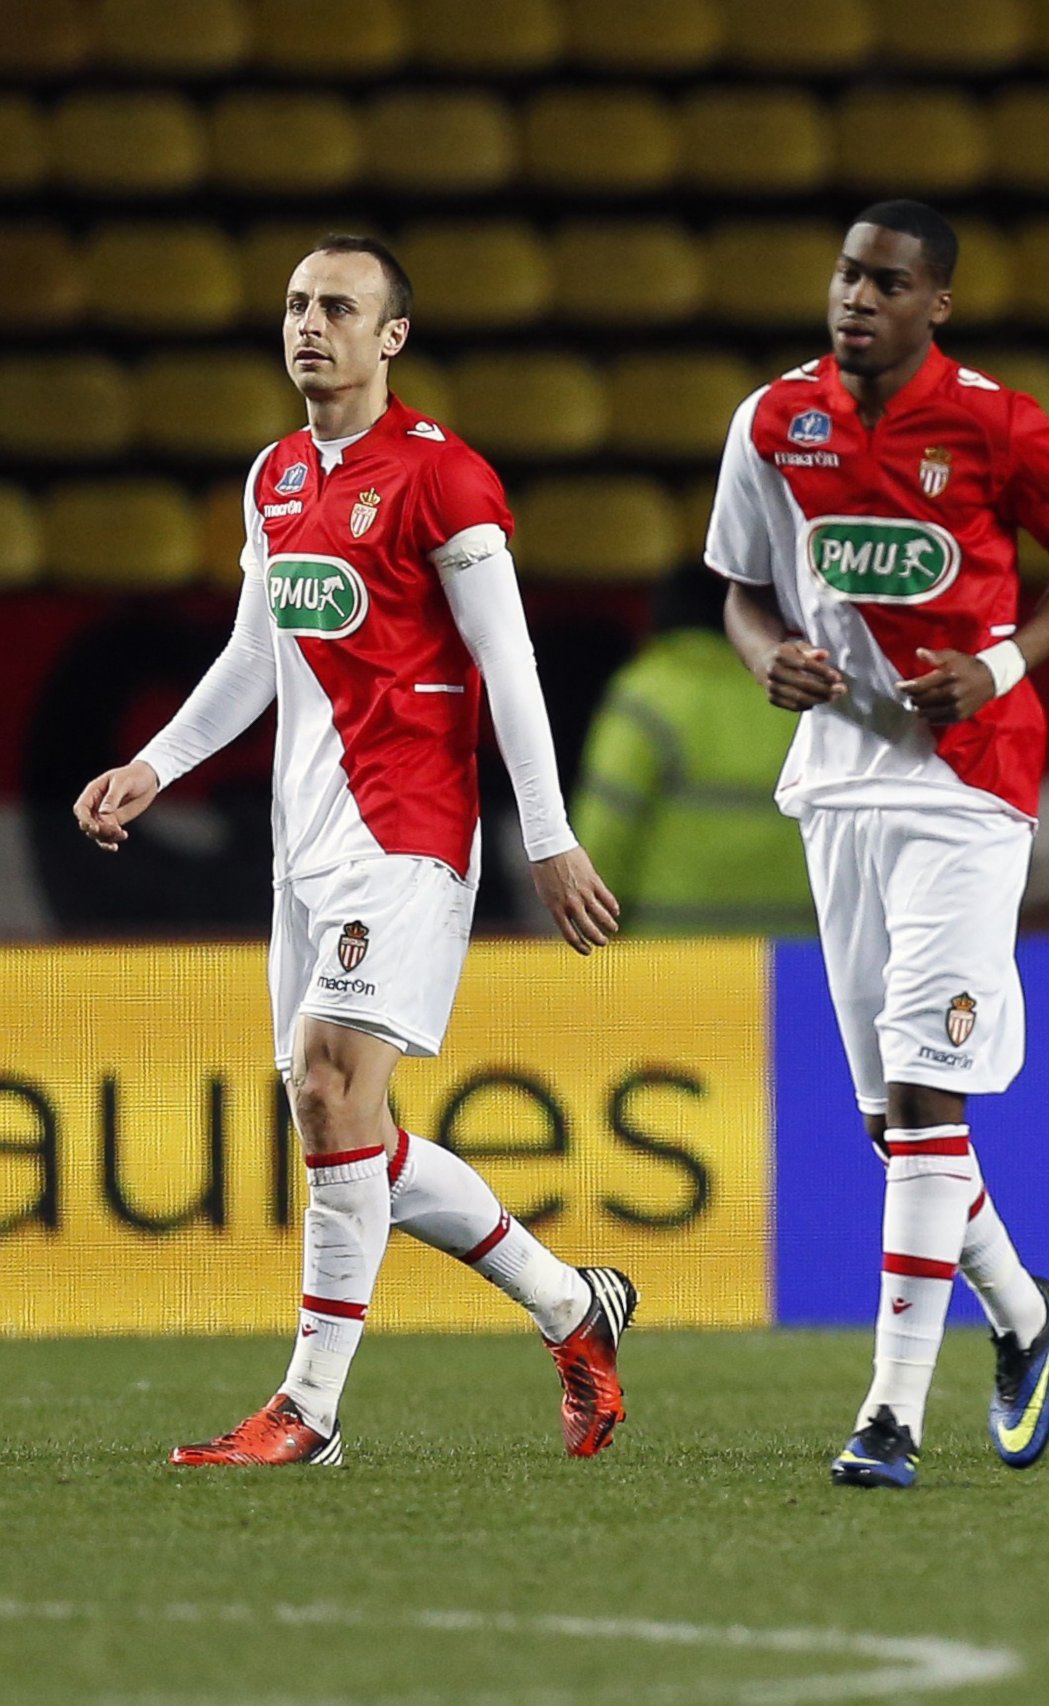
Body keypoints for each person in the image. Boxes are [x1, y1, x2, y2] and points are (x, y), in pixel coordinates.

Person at [72, 235, 636, 1468]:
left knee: (334, 1094)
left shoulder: (446, 481)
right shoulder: (276, 477)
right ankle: (572, 1306)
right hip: (304, 844)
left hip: (411, 831)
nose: (308, 323)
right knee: (347, 1133)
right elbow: (257, 657)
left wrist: (545, 835)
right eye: (294, 303)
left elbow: (510, 662)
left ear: (392, 337)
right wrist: (155, 763)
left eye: (338, 305)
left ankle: (309, 1410)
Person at [705, 201, 1049, 1490]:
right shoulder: (774, 420)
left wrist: (1000, 664)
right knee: (896, 1123)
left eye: (887, 282)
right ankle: (1022, 1313)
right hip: (837, 788)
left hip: (968, 786)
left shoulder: (1001, 423)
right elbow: (739, 585)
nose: (856, 298)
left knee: (930, 1097)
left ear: (935, 303)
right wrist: (764, 653)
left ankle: (889, 1414)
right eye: (845, 273)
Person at [570, 561, 813, 935]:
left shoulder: (648, 695)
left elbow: (606, 826)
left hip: (674, 958)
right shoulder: (793, 697)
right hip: (793, 955)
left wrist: (581, 925)